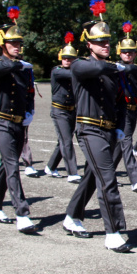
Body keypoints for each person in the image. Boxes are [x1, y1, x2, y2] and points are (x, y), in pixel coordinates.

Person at [61, 0, 132, 253]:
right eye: (99, 41)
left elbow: (121, 101)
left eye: (107, 41)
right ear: (88, 44)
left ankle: (72, 216)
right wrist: (118, 67)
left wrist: (121, 126)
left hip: (109, 130)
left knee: (93, 177)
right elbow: (98, 68)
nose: (105, 45)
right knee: (108, 179)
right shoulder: (80, 65)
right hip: (89, 130)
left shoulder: (113, 71)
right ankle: (113, 232)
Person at [0, 6, 37, 233]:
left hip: (18, 122)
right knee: (12, 166)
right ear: (2, 43)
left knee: (7, 166)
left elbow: (28, 93)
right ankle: (22, 213)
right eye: (12, 43)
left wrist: (29, 111)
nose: (17, 46)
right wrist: (18, 64)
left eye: (18, 43)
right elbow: (0, 68)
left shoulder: (23, 67)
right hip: (1, 121)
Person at [44, 32, 81, 182]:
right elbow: (71, 75)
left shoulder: (75, 71)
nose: (67, 60)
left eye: (70, 58)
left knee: (64, 140)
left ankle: (51, 166)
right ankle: (72, 172)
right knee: (66, 141)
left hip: (71, 110)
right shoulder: (57, 71)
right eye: (65, 58)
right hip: (59, 111)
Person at [114, 22, 137, 192]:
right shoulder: (116, 68)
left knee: (120, 146)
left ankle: (106, 174)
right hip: (120, 112)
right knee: (127, 143)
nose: (128, 54)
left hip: (133, 112)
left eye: (131, 51)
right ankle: (135, 179)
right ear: (120, 52)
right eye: (125, 51)